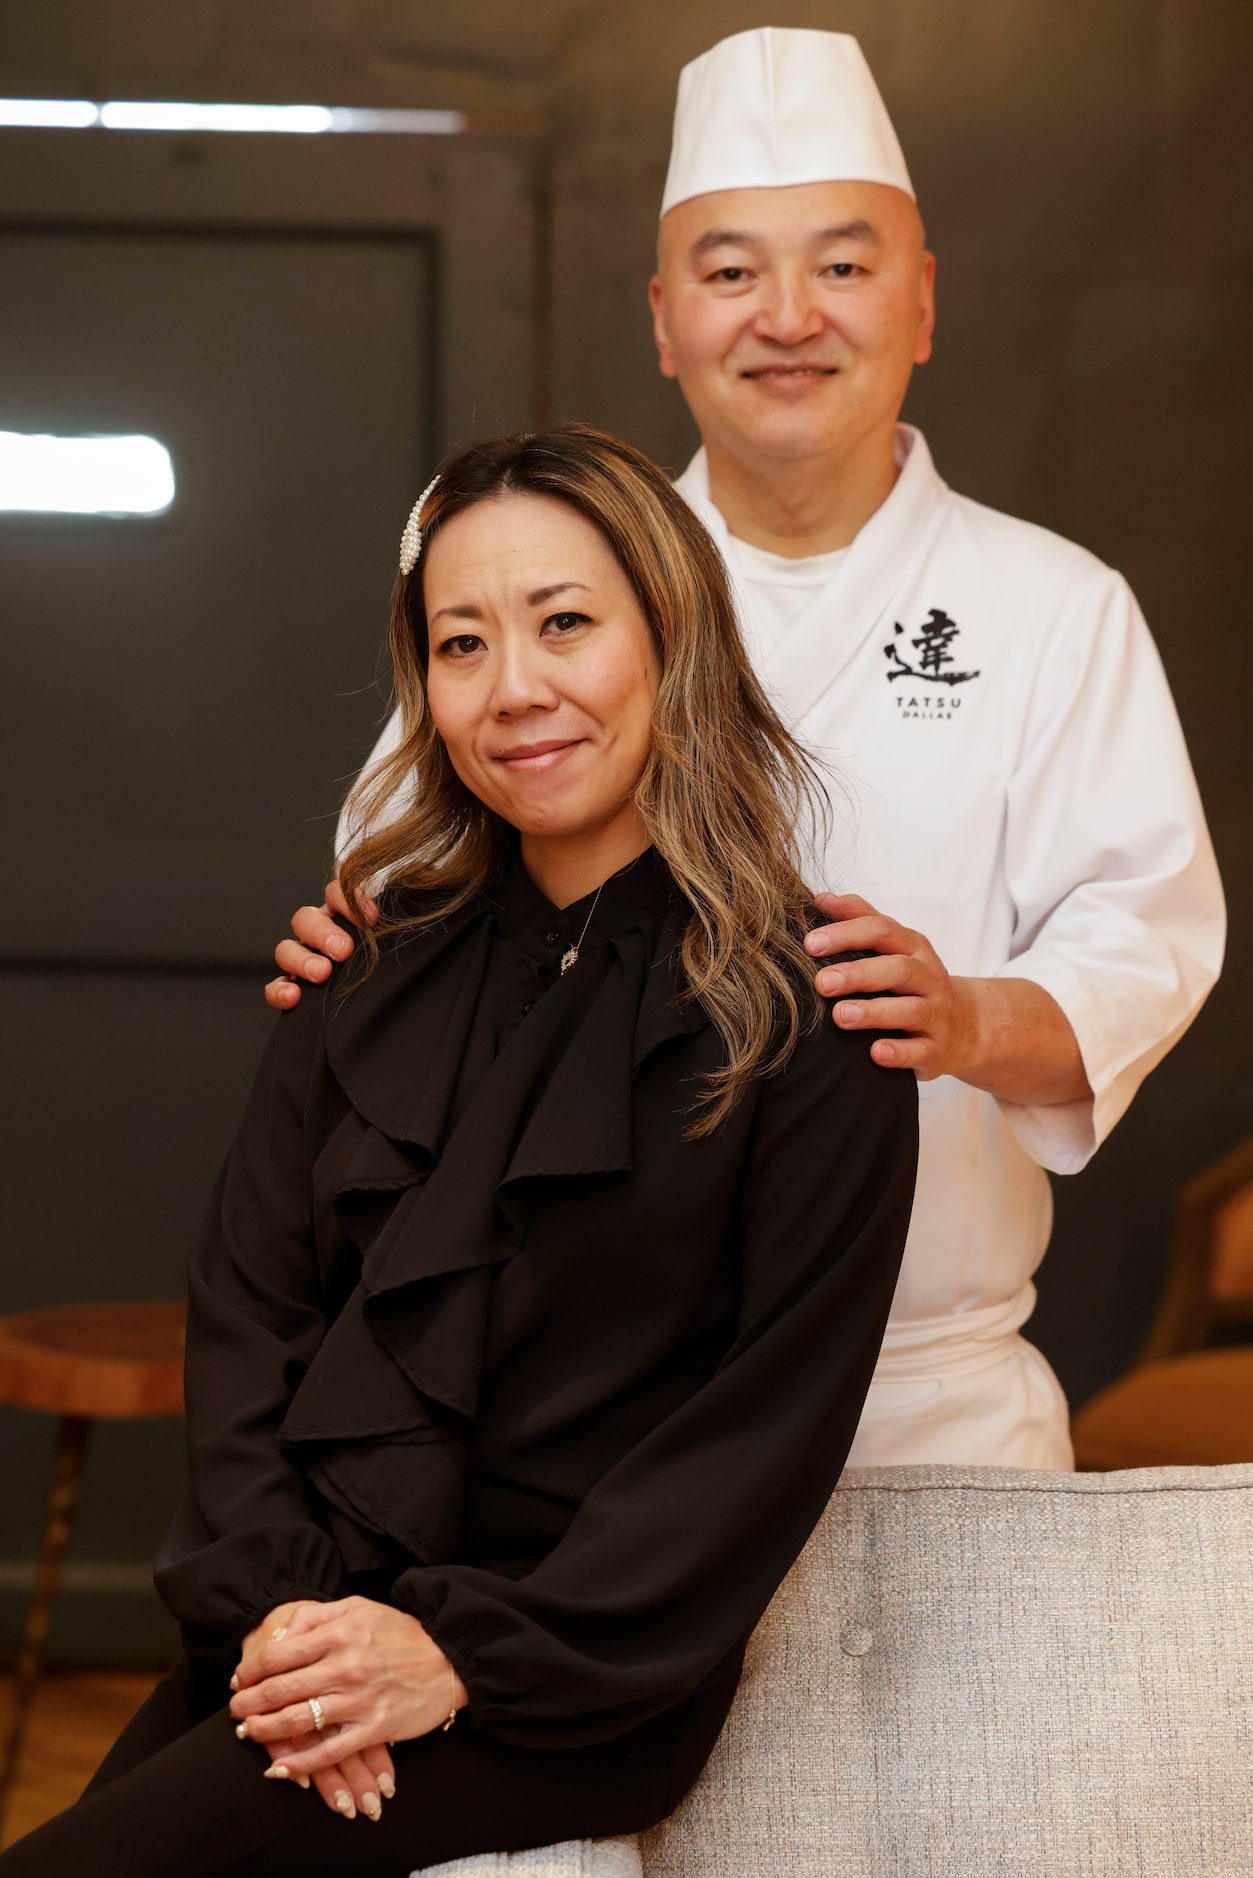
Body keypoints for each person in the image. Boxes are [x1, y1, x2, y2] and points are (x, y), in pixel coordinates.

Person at [271, 27, 1225, 1474]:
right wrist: (354, 947)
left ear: (918, 301)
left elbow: (1141, 943)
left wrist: (966, 1017)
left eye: (841, 266)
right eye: (729, 272)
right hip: (574, 1401)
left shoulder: (1055, 607)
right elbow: (405, 867)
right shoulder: (550, 577)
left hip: (921, 1414)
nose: (786, 315)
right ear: (664, 320)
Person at [0, 426, 916, 1876]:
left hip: (574, 1674)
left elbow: (759, 1426)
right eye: (462, 642)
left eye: (565, 624)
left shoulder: (816, 1013)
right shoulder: (364, 965)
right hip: (306, 1619)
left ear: (670, 641)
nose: (516, 689)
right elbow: (246, 1315)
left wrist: (455, 1658)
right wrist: (288, 1620)